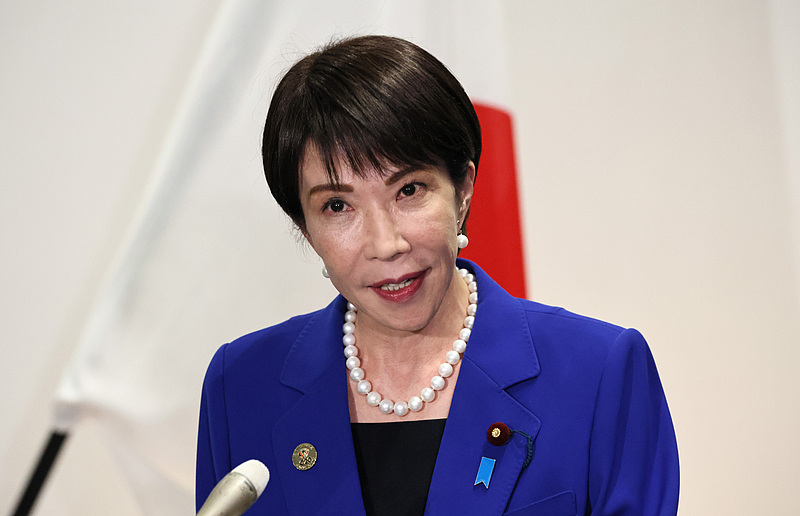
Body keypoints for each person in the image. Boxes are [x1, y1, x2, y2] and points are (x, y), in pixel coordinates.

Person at [196, 35, 679, 516]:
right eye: (337, 206)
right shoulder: (239, 387)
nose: (386, 243)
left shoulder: (598, 373)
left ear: (463, 189)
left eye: (409, 189)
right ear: (305, 226)